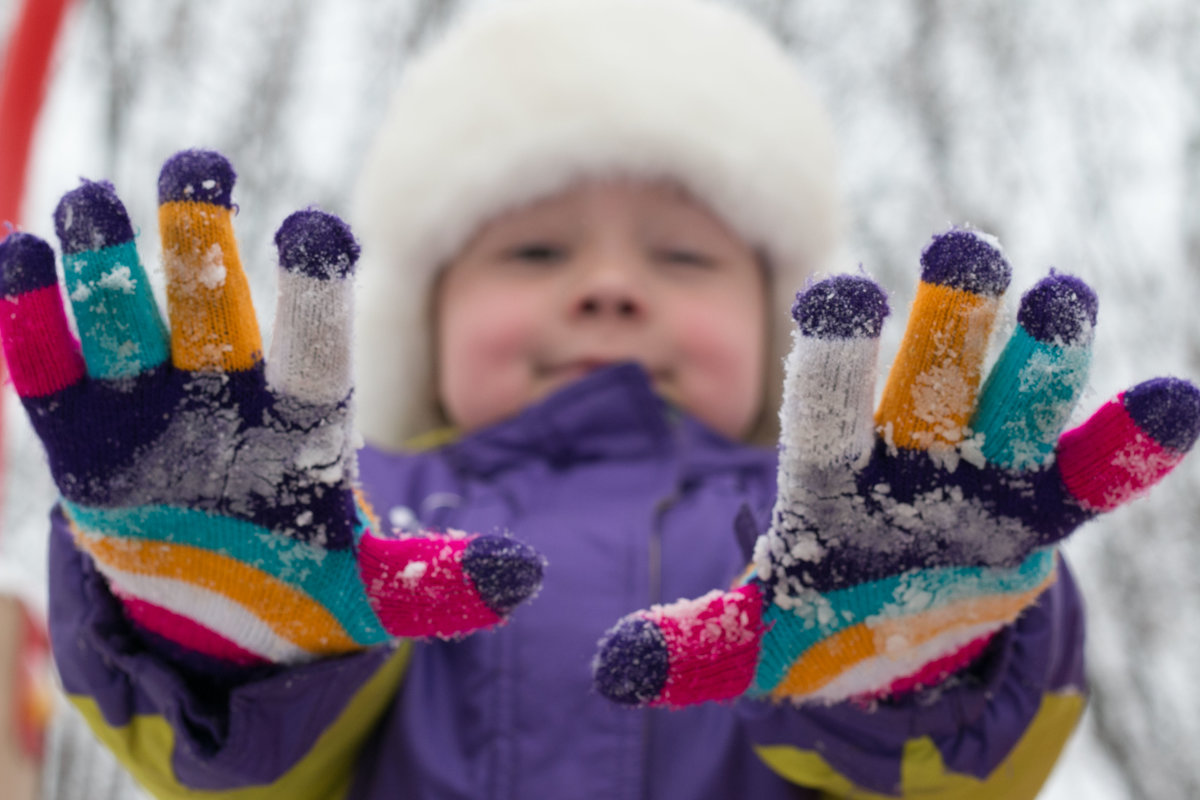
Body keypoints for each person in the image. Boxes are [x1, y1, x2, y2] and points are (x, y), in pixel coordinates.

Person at [1, 1, 1197, 798]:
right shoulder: (349, 513)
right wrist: (217, 635)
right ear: (428, 314)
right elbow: (235, 770)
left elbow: (979, 771)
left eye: (682, 257)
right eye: (534, 253)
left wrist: (923, 654)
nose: (613, 287)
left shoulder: (840, 544)